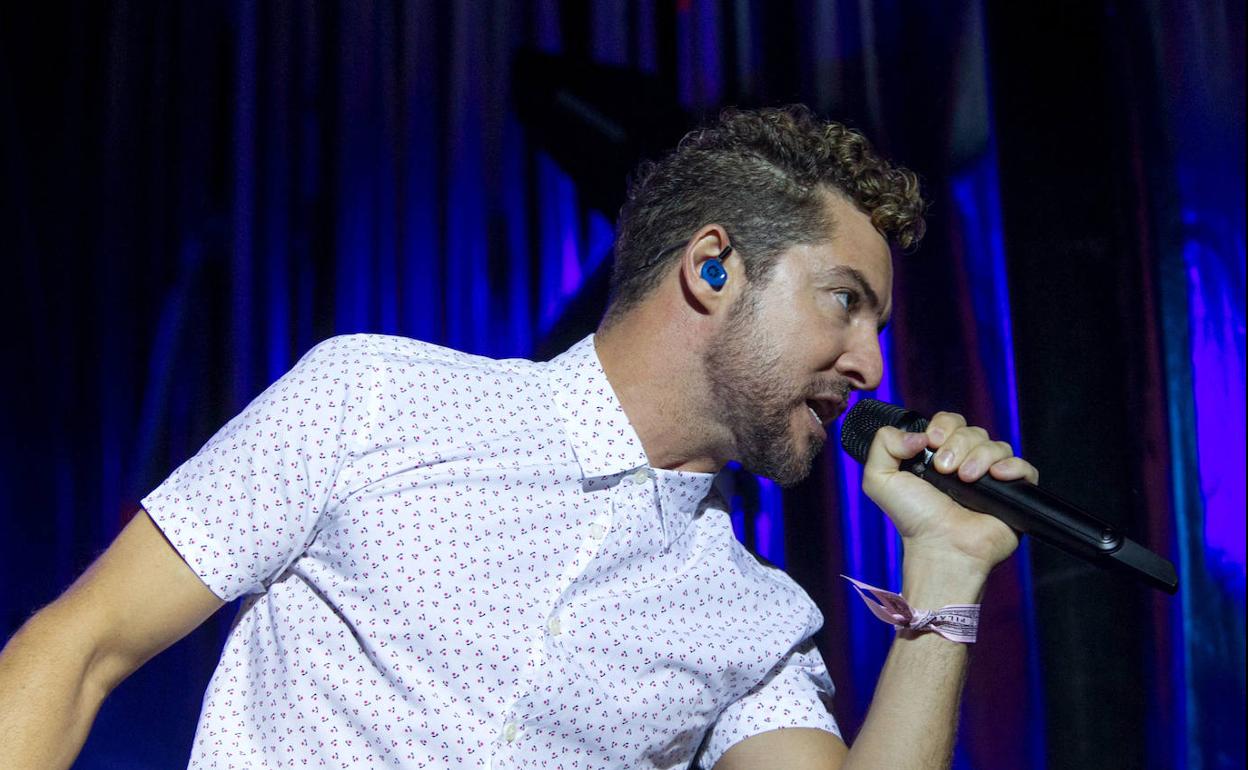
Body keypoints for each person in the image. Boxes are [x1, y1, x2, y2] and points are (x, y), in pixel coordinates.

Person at [0, 105, 1036, 769]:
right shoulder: (376, 400)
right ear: (713, 268)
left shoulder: (752, 617)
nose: (870, 365)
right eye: (844, 302)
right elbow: (76, 649)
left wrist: (946, 570)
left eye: (878, 328)